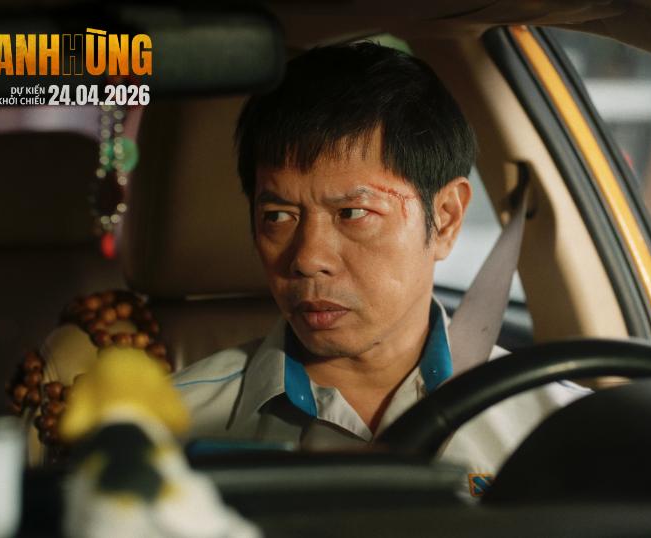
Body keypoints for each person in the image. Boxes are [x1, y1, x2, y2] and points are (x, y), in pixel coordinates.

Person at [172, 42, 586, 497]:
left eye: (353, 213)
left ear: (445, 217)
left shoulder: (563, 430)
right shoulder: (164, 429)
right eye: (278, 216)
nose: (307, 258)